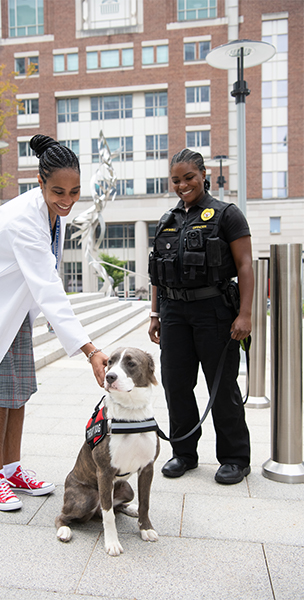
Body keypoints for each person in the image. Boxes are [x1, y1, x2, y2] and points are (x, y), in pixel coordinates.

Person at [0, 135, 107, 510]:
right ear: (40, 182)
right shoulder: (21, 219)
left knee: (18, 395)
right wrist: (90, 350)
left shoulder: (50, 214)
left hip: (13, 316)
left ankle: (13, 469)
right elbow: (49, 288)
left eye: (75, 191)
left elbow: (45, 282)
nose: (67, 200)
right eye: (58, 191)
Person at [148, 148, 254, 485]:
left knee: (221, 386)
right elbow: (157, 273)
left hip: (214, 311)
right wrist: (155, 314)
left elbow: (246, 266)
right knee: (175, 384)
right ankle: (183, 453)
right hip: (173, 311)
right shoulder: (168, 220)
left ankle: (235, 458)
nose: (182, 185)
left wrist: (246, 314)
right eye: (176, 180)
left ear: (203, 175)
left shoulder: (227, 214)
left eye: (189, 178)